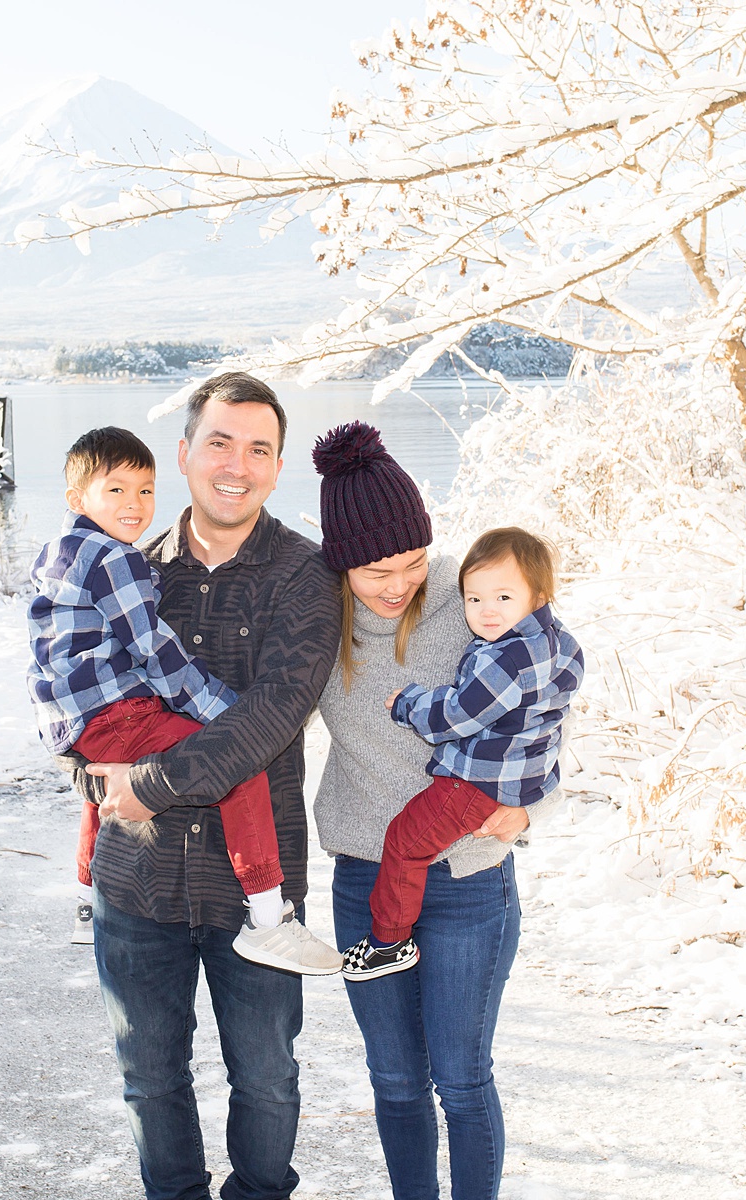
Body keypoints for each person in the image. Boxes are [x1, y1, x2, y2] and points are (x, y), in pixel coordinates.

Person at [67, 373, 341, 1200]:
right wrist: (89, 767)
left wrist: (148, 782)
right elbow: (75, 687)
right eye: (219, 442)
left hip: (253, 890)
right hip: (137, 880)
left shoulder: (305, 576)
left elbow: (273, 716)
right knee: (151, 1085)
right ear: (184, 454)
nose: (237, 464)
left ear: (278, 465)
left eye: (258, 449)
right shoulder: (124, 566)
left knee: (267, 1084)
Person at [311, 420, 554, 1200]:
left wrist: (530, 805)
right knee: (396, 1080)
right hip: (363, 879)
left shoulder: (468, 592)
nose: (398, 583)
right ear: (339, 559)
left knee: (460, 1078)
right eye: (375, 569)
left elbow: (547, 697)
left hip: (467, 881)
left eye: (412, 561)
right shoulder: (318, 624)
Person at [26, 424, 339, 973]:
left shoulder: (57, 554)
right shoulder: (120, 560)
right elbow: (154, 651)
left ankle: (84, 892)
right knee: (237, 766)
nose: (135, 504)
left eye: (144, 491)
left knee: (109, 773)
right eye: (116, 490)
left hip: (78, 720)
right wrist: (222, 712)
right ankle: (268, 917)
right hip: (118, 725)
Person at [340, 526, 583, 980]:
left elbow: (452, 718)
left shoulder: (504, 659)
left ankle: (389, 941)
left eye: (503, 598)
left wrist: (407, 703)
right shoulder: (563, 645)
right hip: (515, 780)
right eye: (474, 600)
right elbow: (550, 717)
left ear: (538, 594)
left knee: (405, 842)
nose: (486, 611)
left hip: (474, 783)